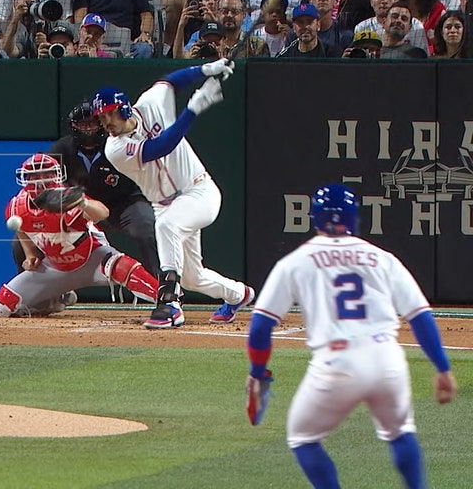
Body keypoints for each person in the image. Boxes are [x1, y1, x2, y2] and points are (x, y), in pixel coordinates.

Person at [245, 184, 457, 489]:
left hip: (336, 364)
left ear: (314, 219)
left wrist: (257, 373)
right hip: (387, 358)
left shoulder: (294, 262)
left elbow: (261, 327)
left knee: (302, 438)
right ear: (354, 218)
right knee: (400, 433)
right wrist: (442, 368)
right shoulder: (382, 258)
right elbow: (419, 315)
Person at [93, 60, 253, 329]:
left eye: (109, 113)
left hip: (199, 190)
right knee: (192, 278)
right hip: (164, 204)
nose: (106, 122)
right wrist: (194, 108)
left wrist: (207, 70)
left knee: (167, 226)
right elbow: (161, 146)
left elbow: (170, 81)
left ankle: (169, 304)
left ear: (123, 107)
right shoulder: (115, 149)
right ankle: (239, 294)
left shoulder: (150, 103)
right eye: (101, 118)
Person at [0, 153, 161, 318]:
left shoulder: (68, 198)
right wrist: (30, 254)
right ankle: (58, 297)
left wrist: (82, 202)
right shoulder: (16, 206)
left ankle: (167, 301)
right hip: (55, 267)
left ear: (55, 175)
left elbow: (102, 213)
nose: (40, 181)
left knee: (120, 265)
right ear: (26, 179)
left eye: (46, 174)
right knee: (0, 306)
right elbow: (22, 229)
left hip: (92, 259)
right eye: (35, 176)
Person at [9, 103, 159, 278]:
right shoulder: (61, 149)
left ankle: (163, 289)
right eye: (82, 124)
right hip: (77, 209)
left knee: (145, 227)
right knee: (19, 244)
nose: (88, 129)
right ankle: (37, 295)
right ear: (73, 126)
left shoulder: (119, 145)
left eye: (92, 123)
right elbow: (44, 186)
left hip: (123, 203)